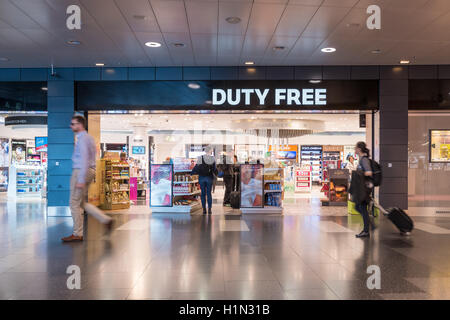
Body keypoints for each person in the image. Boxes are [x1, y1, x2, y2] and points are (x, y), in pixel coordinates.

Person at [62, 115, 113, 242]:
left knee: (74, 203)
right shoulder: (89, 138)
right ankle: (106, 220)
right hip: (90, 170)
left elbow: (84, 159)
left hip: (81, 171)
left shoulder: (83, 139)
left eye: (73, 124)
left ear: (80, 125)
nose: (71, 126)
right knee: (81, 203)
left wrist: (80, 179)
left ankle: (77, 233)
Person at [350, 141, 374, 238]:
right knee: (358, 207)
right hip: (362, 188)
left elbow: (369, 172)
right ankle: (368, 225)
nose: (354, 150)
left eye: (355, 148)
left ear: (359, 149)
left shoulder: (364, 160)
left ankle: (366, 230)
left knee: (361, 207)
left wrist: (360, 174)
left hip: (364, 189)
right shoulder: (361, 159)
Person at [191, 146, 217, 215]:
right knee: (208, 193)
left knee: (203, 193)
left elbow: (196, 167)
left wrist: (191, 173)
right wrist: (217, 175)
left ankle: (204, 209)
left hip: (201, 177)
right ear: (210, 151)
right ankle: (209, 209)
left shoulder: (200, 158)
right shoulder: (212, 158)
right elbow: (214, 169)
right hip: (209, 177)